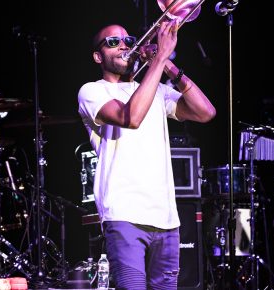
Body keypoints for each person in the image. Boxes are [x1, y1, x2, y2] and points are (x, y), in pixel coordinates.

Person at [77, 20, 216, 289]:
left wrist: (168, 67)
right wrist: (160, 58)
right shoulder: (92, 91)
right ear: (98, 56)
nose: (124, 47)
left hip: (166, 216)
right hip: (124, 213)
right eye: (113, 42)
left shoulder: (157, 91)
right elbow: (130, 117)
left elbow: (206, 112)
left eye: (129, 41)